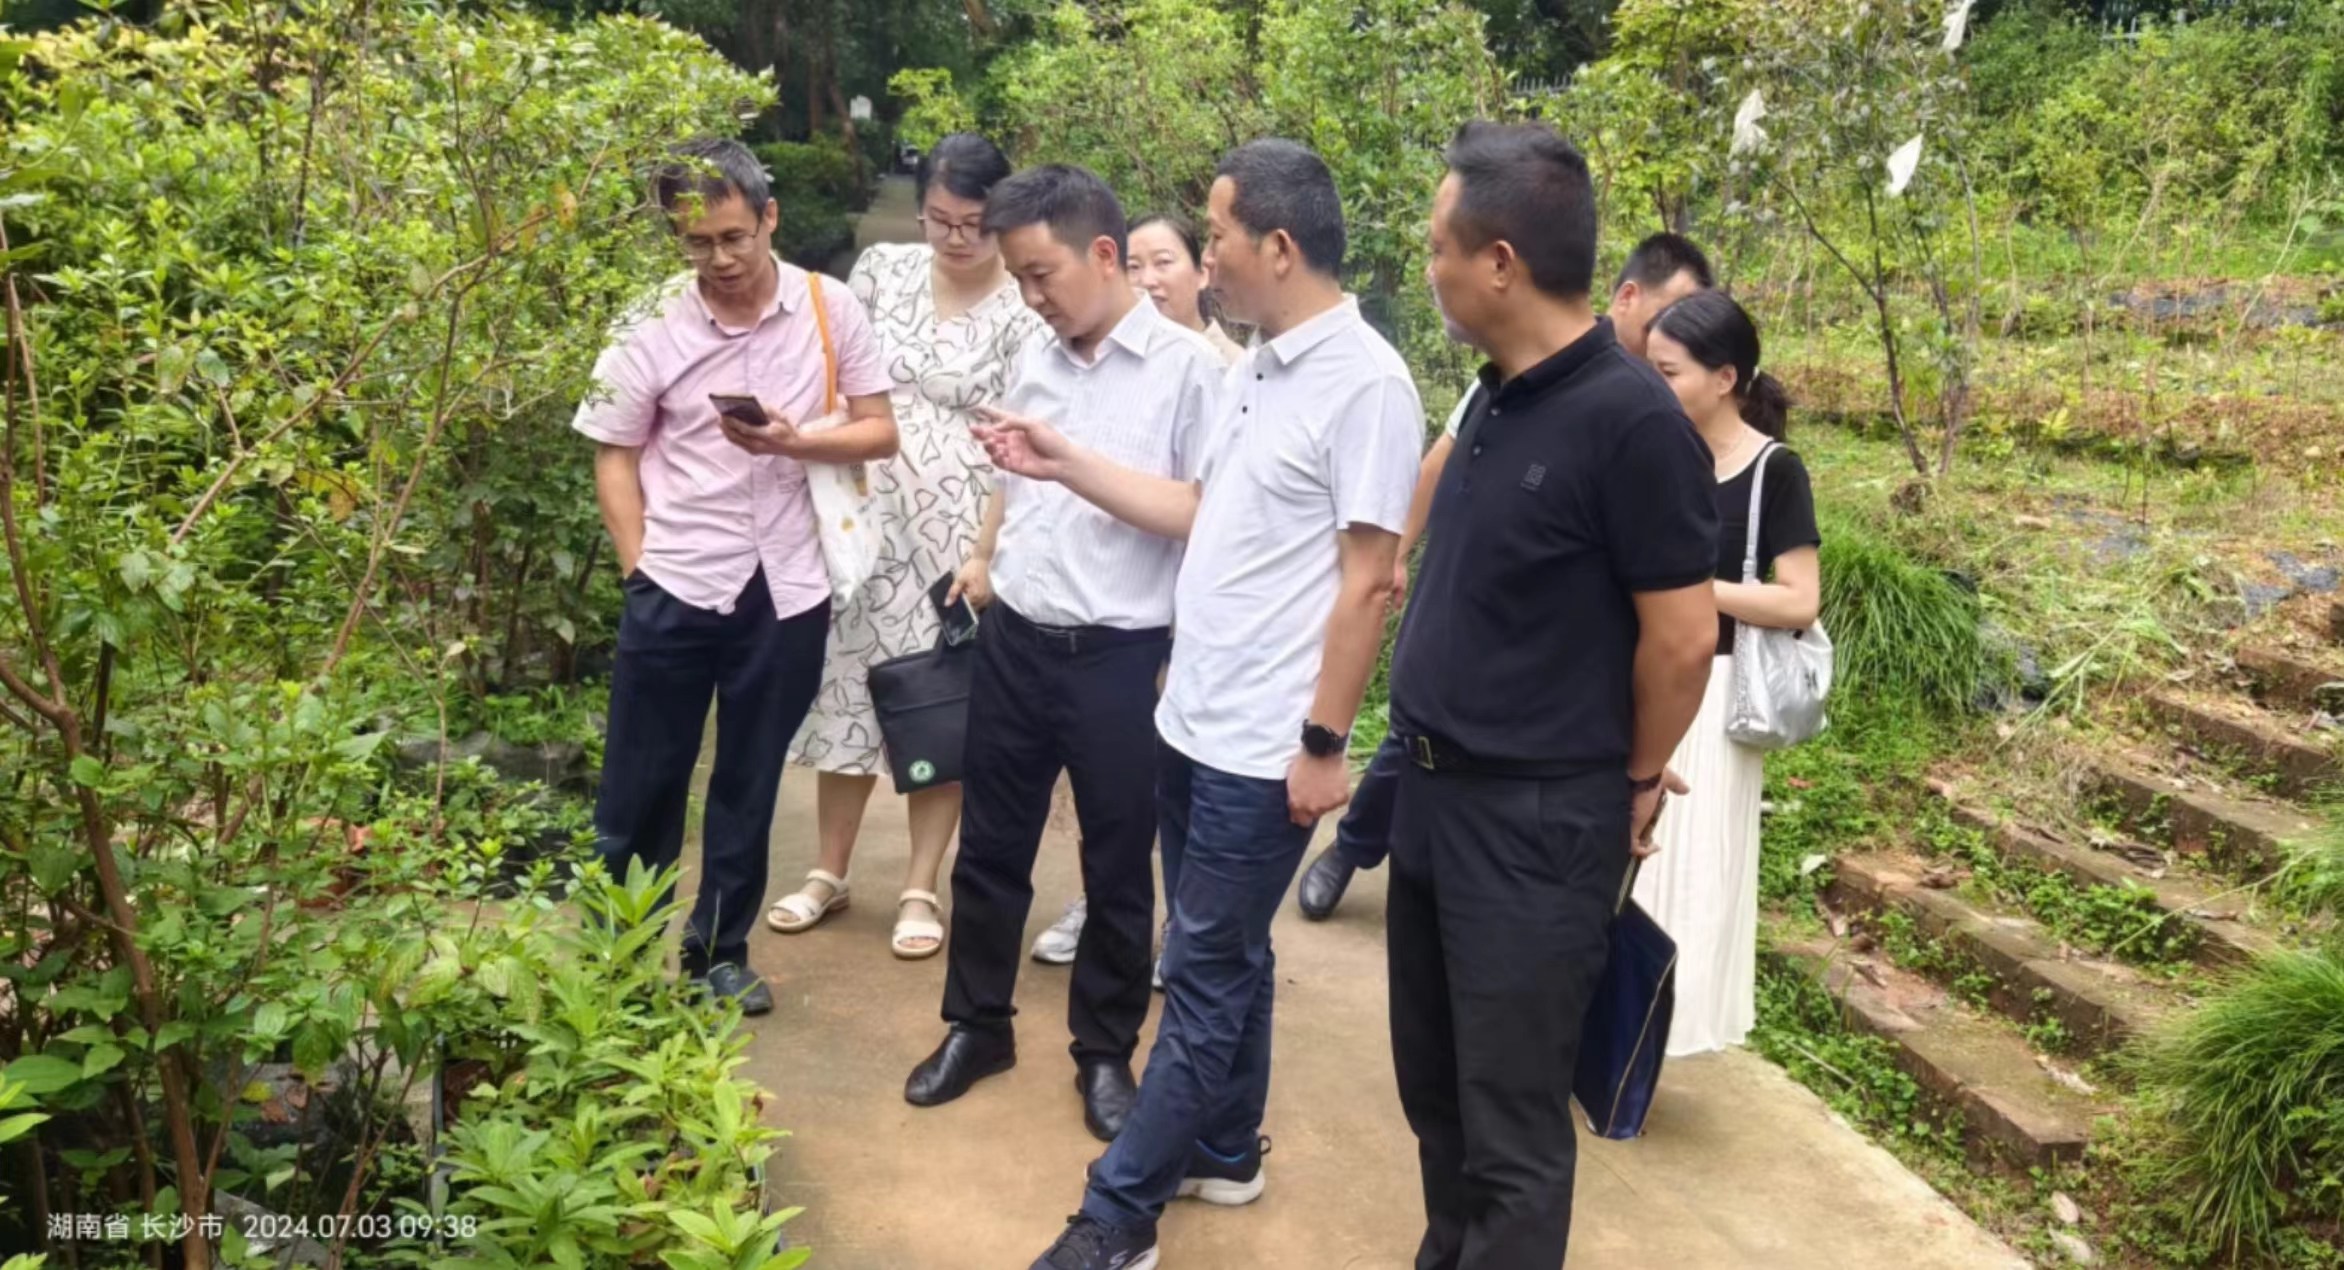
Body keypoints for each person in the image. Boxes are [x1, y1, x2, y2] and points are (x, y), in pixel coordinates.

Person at [975, 139, 1421, 1270]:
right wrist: (1062, 462)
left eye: (1215, 235)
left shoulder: (1368, 384)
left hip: (1266, 745)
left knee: (1203, 976)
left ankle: (1115, 1218)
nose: (1201, 256)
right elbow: (1197, 509)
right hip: (1192, 720)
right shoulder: (1256, 368)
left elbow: (1370, 579)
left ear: (1279, 245)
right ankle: (1224, 1148)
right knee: (1232, 959)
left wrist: (1323, 742)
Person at [1384, 122, 1718, 1267]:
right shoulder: (1497, 396)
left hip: (1531, 826)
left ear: (1499, 263)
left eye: (1437, 244)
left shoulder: (1629, 423)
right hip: (1435, 800)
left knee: (1510, 1128)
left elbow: (1683, 639)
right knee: (1439, 1097)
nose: (1427, 264)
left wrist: (1635, 775)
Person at [903, 164, 1226, 1142]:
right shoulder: (1037, 358)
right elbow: (1013, 477)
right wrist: (983, 554)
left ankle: (1103, 1051)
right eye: (1019, 280)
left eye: (1041, 275)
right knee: (990, 848)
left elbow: (1204, 514)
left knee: (1118, 861)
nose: (1032, 297)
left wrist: (1074, 468)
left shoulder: (1190, 372)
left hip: (1120, 655)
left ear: (1103, 253)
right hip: (1016, 640)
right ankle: (978, 1025)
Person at [1296, 230, 1715, 922]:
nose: (1678, 330)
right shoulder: (1510, 374)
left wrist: (1638, 763)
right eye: (1671, 311)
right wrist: (1394, 550)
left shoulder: (1647, 420)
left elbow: (1680, 634)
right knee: (1411, 744)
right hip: (1459, 676)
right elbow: (1440, 461)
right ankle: (1353, 847)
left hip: (1543, 765)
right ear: (1627, 297)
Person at [575, 138, 898, 1015]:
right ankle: (616, 956)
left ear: (769, 218)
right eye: (696, 243)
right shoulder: (650, 321)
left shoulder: (830, 307)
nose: (718, 259)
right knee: (641, 781)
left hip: (788, 588)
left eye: (732, 237)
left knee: (749, 781)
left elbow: (879, 430)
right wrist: (639, 567)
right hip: (677, 580)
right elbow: (615, 452)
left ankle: (719, 950)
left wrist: (797, 442)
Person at [769, 133, 1045, 960]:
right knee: (845, 690)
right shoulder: (883, 271)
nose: (956, 238)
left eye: (975, 224)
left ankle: (921, 884)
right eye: (939, 218)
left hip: (960, 528)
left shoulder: (1025, 303)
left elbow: (1023, 436)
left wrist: (988, 552)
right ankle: (829, 869)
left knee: (939, 705)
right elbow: (839, 376)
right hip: (864, 521)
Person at [1027, 209, 1242, 972]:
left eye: (1166, 262)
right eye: (1138, 264)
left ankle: (1183, 924)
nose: (1150, 280)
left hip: (1178, 623)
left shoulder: (1228, 370)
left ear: (1203, 271)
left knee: (1176, 786)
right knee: (1107, 788)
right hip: (1101, 621)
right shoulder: (1082, 354)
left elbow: (1218, 522)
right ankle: (1099, 902)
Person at [1636, 289, 1820, 1056]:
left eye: (1668, 371)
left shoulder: (1774, 471)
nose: (1652, 385)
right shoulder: (1649, 452)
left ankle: (1653, 1045)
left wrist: (1688, 588)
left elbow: (1799, 598)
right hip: (1635, 681)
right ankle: (1597, 1037)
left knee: (1691, 877)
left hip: (1714, 703)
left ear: (1724, 378)